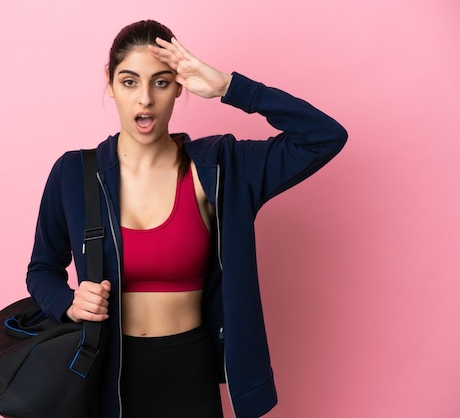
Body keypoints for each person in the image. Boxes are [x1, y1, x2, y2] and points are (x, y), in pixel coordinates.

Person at [26, 20, 347, 418]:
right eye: (129, 82)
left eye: (161, 82)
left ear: (180, 85)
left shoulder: (219, 168)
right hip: (105, 375)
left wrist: (230, 87)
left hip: (189, 375)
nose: (145, 99)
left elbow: (324, 137)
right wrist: (69, 303)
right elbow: (42, 269)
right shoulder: (73, 174)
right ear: (109, 83)